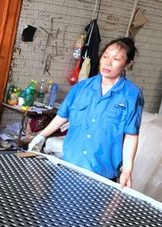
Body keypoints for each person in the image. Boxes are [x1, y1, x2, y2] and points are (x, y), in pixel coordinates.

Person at [28, 37, 143, 188]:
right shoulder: (81, 88)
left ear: (127, 64)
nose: (108, 63)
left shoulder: (132, 95)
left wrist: (127, 170)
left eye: (116, 59)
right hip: (69, 165)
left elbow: (131, 135)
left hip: (102, 173)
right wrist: (41, 136)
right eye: (105, 56)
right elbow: (62, 116)